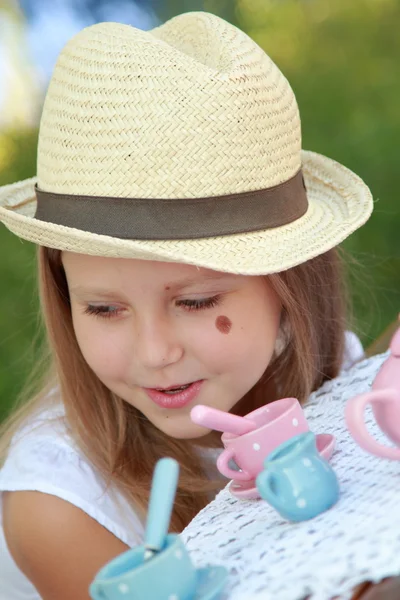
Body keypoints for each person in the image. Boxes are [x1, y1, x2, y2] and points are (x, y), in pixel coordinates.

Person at [0, 11, 388, 600]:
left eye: (197, 300)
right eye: (104, 310)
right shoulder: (56, 509)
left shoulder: (320, 380)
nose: (155, 353)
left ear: (289, 286)